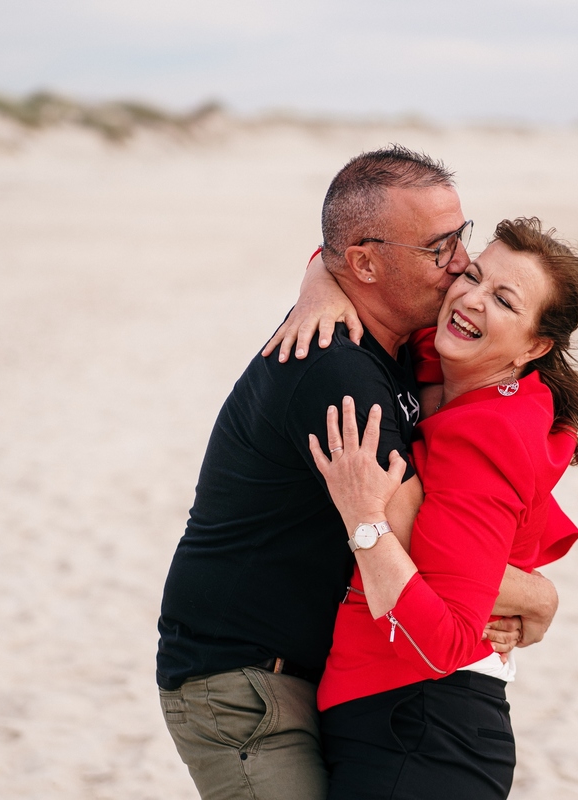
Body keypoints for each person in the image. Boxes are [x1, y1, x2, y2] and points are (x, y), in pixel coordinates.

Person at [155, 147, 556, 800]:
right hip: (245, 684)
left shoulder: (395, 340)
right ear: (365, 265)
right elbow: (425, 546)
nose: (460, 263)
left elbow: (339, 253)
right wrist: (539, 598)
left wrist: (320, 271)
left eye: (461, 236)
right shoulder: (337, 371)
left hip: (299, 676)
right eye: (438, 249)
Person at [306, 217, 578, 799]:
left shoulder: (487, 435)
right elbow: (356, 263)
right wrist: (317, 285)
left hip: (422, 729)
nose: (471, 299)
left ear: (535, 346)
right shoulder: (450, 360)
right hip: (403, 721)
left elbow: (445, 641)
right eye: (473, 276)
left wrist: (366, 523)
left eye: (504, 300)